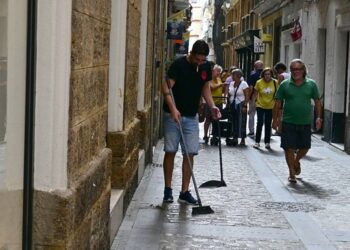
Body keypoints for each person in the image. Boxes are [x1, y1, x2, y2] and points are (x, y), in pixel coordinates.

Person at [162, 40, 221, 204]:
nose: (200, 63)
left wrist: (212, 106)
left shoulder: (205, 67)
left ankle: (185, 191)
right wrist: (173, 109)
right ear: (192, 54)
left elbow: (205, 87)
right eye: (198, 59)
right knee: (170, 151)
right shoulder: (178, 65)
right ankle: (167, 190)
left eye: (203, 60)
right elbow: (166, 88)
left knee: (190, 154)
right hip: (173, 116)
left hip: (191, 116)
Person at [272, 59, 322, 183]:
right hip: (288, 122)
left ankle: (295, 160)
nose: (296, 72)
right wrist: (275, 120)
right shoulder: (285, 84)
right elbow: (278, 103)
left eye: (298, 69)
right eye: (293, 69)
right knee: (288, 148)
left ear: (303, 70)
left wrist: (319, 117)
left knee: (305, 147)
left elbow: (317, 102)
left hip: (305, 122)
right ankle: (291, 173)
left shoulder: (311, 84)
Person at [253, 68, 278, 149]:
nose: (267, 76)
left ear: (271, 75)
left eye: (269, 74)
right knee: (259, 123)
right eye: (266, 74)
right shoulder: (259, 82)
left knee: (268, 124)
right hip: (260, 105)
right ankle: (257, 142)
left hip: (271, 106)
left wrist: (277, 105)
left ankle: (267, 142)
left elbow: (277, 94)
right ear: (263, 75)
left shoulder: (275, 82)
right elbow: (255, 94)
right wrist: (254, 103)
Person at [227, 69, 250, 146]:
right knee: (233, 121)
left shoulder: (244, 84)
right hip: (232, 104)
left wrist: (245, 105)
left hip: (241, 104)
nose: (232, 76)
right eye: (232, 75)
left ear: (239, 76)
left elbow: (247, 95)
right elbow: (229, 94)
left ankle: (242, 138)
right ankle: (234, 137)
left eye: (233, 75)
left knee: (242, 121)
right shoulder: (231, 83)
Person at [203, 64, 224, 143]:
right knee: (208, 119)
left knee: (216, 119)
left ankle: (215, 135)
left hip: (219, 102)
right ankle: (205, 135)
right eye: (217, 71)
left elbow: (221, 89)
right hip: (210, 102)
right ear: (213, 71)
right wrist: (221, 85)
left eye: (219, 71)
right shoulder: (209, 79)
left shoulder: (219, 79)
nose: (218, 73)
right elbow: (211, 87)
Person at [273, 62, 290, 135]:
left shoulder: (281, 76)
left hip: (282, 97)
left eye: (276, 70)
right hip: (288, 96)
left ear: (279, 69)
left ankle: (279, 130)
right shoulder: (289, 75)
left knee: (279, 114)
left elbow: (279, 87)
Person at [247, 60, 264, 136]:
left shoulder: (253, 76)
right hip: (264, 98)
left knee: (251, 114)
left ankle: (251, 131)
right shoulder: (267, 75)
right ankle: (266, 131)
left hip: (254, 97)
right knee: (264, 115)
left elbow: (250, 88)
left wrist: (248, 98)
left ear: (255, 67)